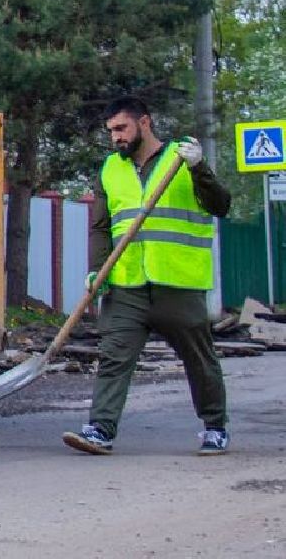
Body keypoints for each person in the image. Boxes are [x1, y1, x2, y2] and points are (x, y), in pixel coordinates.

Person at [62, 95, 232, 457]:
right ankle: (100, 430)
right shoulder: (110, 169)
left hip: (178, 283)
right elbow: (102, 227)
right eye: (110, 132)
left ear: (145, 123)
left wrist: (200, 168)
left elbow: (221, 205)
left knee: (199, 358)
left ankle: (215, 427)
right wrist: (96, 270)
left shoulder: (182, 160)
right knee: (113, 356)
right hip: (127, 286)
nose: (115, 138)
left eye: (121, 128)